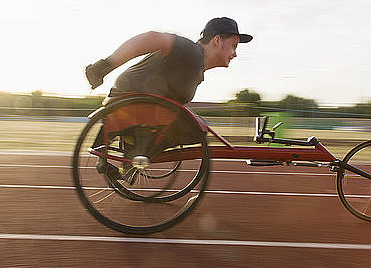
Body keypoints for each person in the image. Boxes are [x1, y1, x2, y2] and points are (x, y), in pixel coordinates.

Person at [84, 17, 252, 181]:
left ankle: (134, 152)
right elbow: (153, 38)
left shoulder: (195, 67)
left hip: (137, 104)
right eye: (233, 46)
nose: (235, 54)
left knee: (193, 124)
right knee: (196, 128)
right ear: (217, 40)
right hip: (132, 102)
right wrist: (105, 66)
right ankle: (134, 153)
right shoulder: (191, 52)